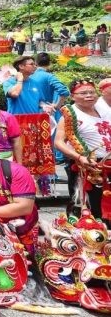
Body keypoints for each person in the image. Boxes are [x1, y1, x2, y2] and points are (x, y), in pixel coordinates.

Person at [54, 80, 111, 222]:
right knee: (92, 208)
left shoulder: (104, 110)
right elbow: (59, 142)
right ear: (73, 96)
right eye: (83, 93)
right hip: (90, 166)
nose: (89, 96)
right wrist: (79, 157)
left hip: (108, 164)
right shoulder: (71, 115)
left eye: (92, 92)